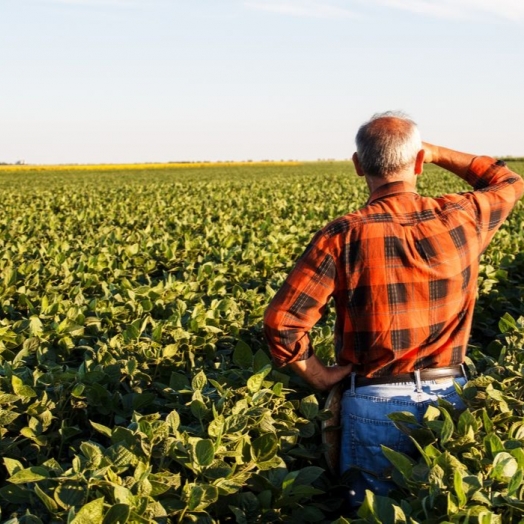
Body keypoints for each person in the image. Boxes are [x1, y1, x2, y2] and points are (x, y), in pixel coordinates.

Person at [263, 111, 524, 508]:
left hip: (373, 400)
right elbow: (508, 181)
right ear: (419, 162)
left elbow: (283, 323)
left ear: (357, 165)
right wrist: (436, 152)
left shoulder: (343, 234)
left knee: (375, 514)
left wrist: (318, 376)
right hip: (449, 398)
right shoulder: (463, 216)